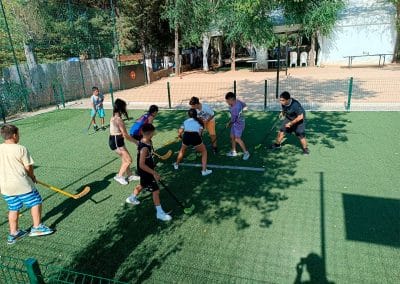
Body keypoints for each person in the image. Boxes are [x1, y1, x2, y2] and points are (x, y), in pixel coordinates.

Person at [0, 124, 53, 245]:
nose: (19, 136)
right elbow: (28, 167)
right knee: (36, 202)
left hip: (6, 187)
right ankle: (37, 227)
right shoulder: (21, 148)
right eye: (18, 134)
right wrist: (32, 176)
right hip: (22, 185)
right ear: (14, 135)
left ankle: (13, 233)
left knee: (13, 208)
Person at [125, 123, 172, 221]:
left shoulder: (147, 141)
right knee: (156, 191)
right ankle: (159, 213)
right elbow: (142, 164)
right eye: (153, 132)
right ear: (151, 133)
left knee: (142, 184)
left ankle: (131, 198)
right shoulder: (144, 148)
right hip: (145, 171)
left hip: (145, 170)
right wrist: (154, 173)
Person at [109, 98, 140, 185]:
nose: (126, 109)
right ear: (121, 108)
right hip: (116, 142)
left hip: (116, 140)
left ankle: (129, 175)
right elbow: (125, 135)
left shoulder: (114, 117)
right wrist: (136, 142)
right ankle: (119, 176)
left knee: (124, 159)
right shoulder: (118, 120)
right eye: (124, 107)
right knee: (129, 160)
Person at [173, 109, 212, 176]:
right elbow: (199, 134)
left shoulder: (185, 121)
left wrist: (179, 136)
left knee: (182, 150)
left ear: (188, 115)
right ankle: (204, 171)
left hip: (186, 137)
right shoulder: (200, 122)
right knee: (204, 151)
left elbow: (180, 131)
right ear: (196, 114)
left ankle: (176, 164)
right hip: (195, 137)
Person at [225, 92, 250, 160]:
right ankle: (234, 151)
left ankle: (246, 152)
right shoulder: (238, 101)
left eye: (227, 101)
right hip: (236, 123)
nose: (227, 102)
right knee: (232, 136)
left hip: (239, 124)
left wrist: (228, 123)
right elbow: (244, 105)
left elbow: (233, 119)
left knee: (237, 139)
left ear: (231, 99)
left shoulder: (234, 109)